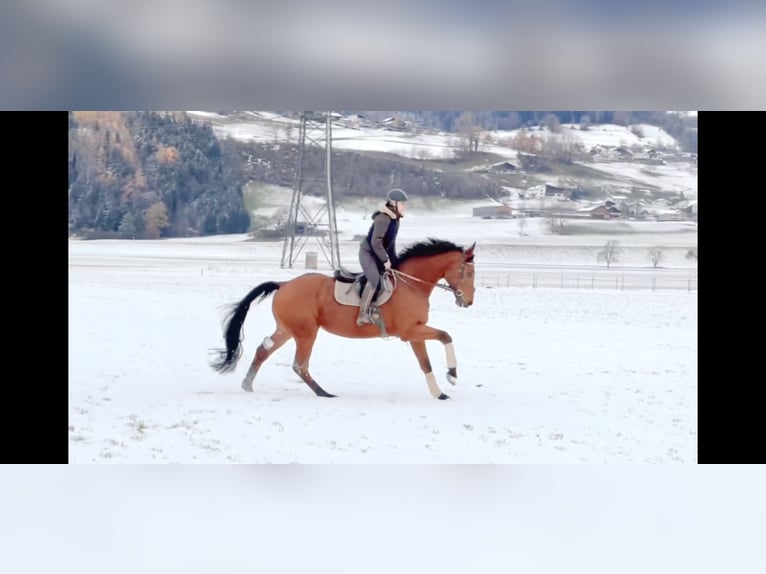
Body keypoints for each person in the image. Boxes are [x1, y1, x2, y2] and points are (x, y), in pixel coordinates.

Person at [356, 188, 408, 326]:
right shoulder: (383, 218)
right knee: (375, 280)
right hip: (368, 253)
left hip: (378, 254)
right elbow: (375, 242)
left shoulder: (395, 219)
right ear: (393, 203)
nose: (405, 206)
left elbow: (391, 243)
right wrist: (385, 260)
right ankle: (362, 314)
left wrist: (394, 262)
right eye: (402, 203)